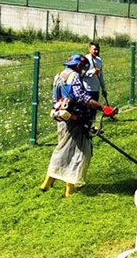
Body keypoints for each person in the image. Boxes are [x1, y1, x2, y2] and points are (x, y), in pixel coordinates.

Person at [40, 54, 116, 197]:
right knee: (77, 153)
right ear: (78, 65)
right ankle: (69, 190)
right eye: (83, 66)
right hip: (75, 120)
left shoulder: (59, 76)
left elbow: (55, 99)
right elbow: (82, 97)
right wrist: (103, 108)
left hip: (63, 119)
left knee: (62, 149)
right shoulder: (74, 76)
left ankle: (47, 183)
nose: (83, 69)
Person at [83, 41, 108, 117]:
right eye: (94, 49)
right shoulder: (85, 59)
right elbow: (81, 74)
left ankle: (92, 124)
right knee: (87, 110)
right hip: (87, 89)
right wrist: (92, 72)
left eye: (97, 49)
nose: (96, 51)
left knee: (94, 110)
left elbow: (101, 75)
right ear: (89, 49)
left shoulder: (99, 60)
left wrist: (103, 88)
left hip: (95, 89)